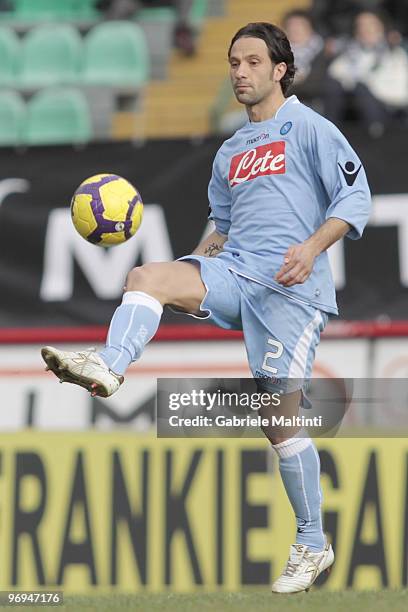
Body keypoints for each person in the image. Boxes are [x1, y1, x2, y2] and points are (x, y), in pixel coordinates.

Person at [41, 22, 371, 593]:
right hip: (234, 272)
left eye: (251, 62)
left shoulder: (312, 129)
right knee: (147, 274)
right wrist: (190, 273)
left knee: (279, 419)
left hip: (291, 292)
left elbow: (355, 195)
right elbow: (220, 224)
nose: (239, 72)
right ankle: (109, 365)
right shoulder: (230, 150)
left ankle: (313, 543)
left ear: (279, 69)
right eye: (232, 63)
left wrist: (312, 247)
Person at [324, 10, 408, 134]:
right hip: (358, 107)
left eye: (371, 24)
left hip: (392, 107)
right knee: (336, 86)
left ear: (382, 26)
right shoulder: (349, 53)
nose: (366, 29)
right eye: (361, 25)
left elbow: (400, 90)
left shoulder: (395, 51)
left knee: (361, 88)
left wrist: (367, 83)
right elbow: (335, 74)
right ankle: (329, 135)